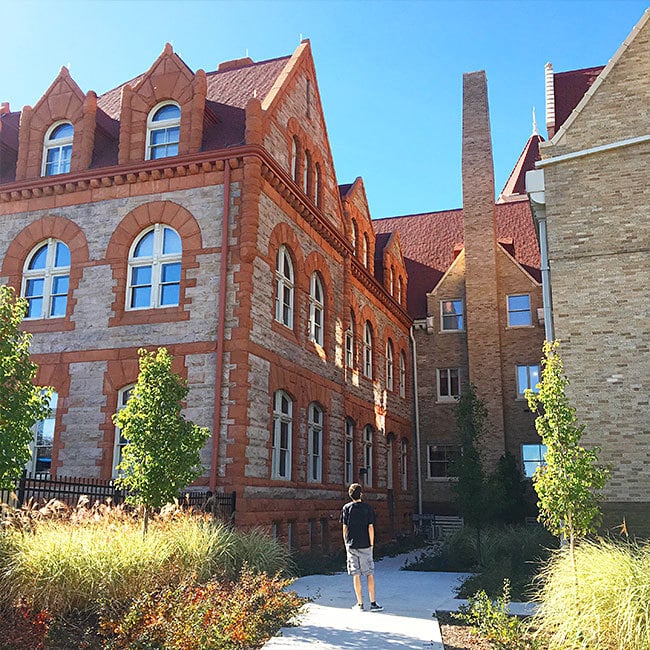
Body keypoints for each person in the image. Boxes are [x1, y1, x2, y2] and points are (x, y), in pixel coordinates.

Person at [340, 483, 383, 612]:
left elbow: (344, 527)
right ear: (361, 494)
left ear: (350, 495)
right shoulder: (368, 508)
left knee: (356, 574)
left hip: (352, 545)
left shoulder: (346, 508)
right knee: (369, 574)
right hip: (365, 544)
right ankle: (373, 603)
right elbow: (371, 527)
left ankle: (359, 604)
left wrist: (346, 542)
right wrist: (372, 544)